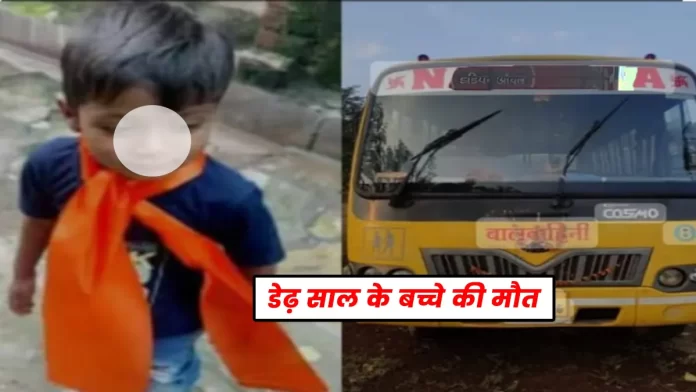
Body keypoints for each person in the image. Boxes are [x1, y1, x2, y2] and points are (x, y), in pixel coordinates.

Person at [6, 2, 323, 392]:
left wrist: (247, 323)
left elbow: (258, 271)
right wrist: (23, 274)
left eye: (184, 127)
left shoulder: (229, 200)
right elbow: (38, 220)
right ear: (70, 113)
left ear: (212, 115)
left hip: (167, 334)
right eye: (117, 127)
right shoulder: (50, 166)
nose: (152, 148)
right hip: (86, 309)